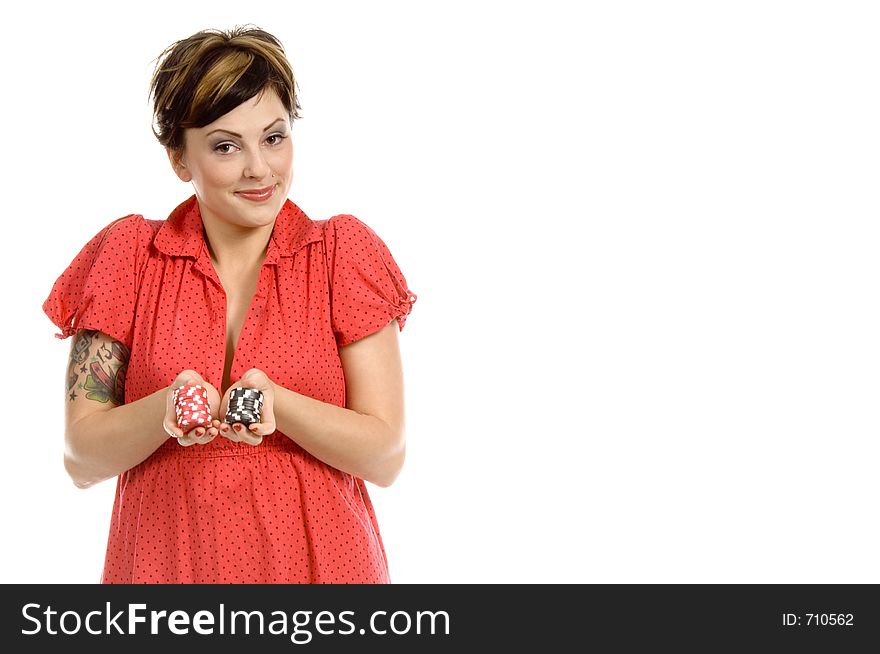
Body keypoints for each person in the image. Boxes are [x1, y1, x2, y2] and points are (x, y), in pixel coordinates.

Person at [41, 26, 417, 584]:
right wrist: (163, 409)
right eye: (225, 145)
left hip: (323, 576)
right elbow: (81, 457)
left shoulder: (343, 254)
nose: (259, 169)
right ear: (179, 157)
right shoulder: (127, 258)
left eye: (273, 137)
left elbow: (385, 455)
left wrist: (279, 404)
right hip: (164, 572)